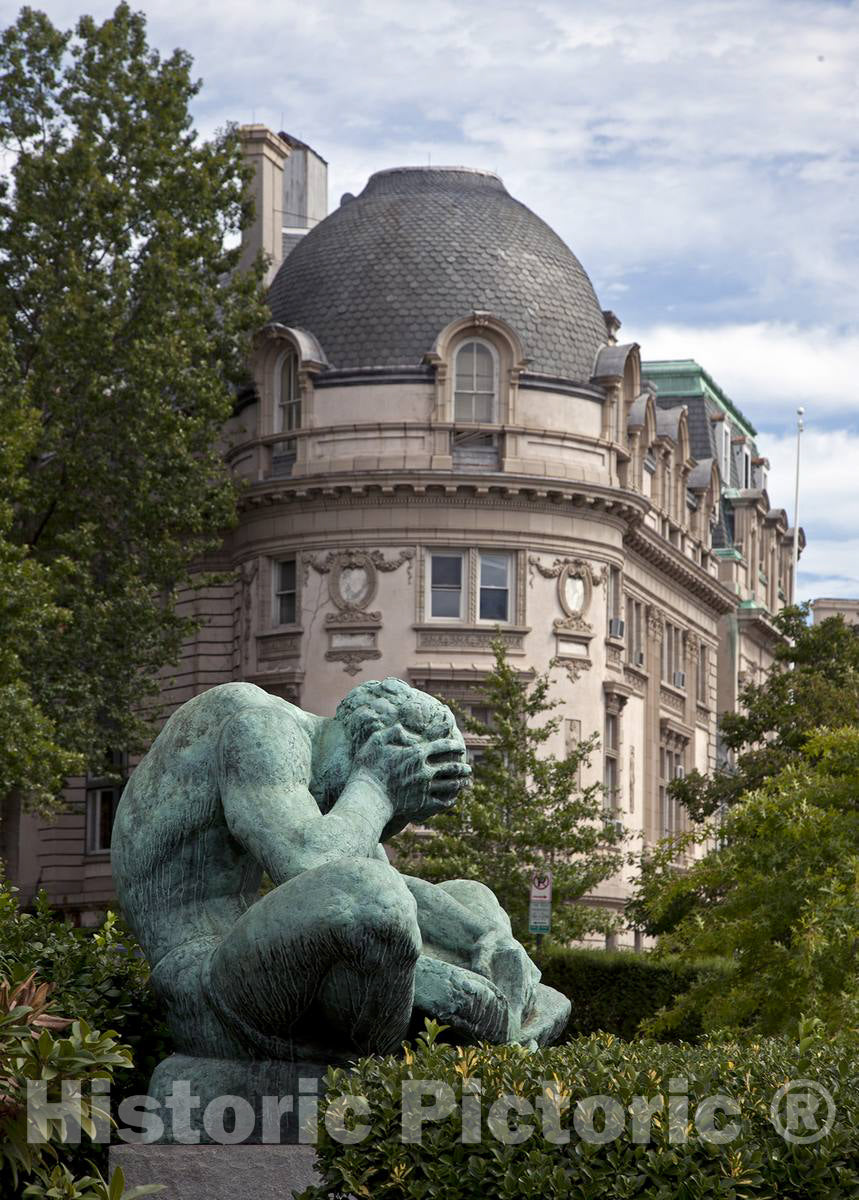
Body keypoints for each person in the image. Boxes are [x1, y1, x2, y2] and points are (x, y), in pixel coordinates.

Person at [113, 679, 569, 1066]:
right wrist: (376, 787)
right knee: (373, 895)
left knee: (472, 897)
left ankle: (488, 1019)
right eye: (396, 814)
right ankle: (400, 1062)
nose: (386, 828)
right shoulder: (259, 727)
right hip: (203, 985)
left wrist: (485, 938)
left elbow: (380, 881)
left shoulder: (322, 772)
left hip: (266, 963)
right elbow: (316, 867)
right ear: (374, 749)